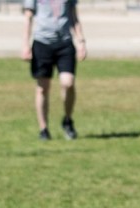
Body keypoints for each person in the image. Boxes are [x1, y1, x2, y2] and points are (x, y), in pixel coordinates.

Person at [22, 0, 87, 141]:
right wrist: (25, 44)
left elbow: (73, 15)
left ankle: (68, 120)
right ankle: (43, 129)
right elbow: (28, 16)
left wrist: (81, 41)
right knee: (42, 88)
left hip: (65, 42)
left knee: (68, 83)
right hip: (42, 43)